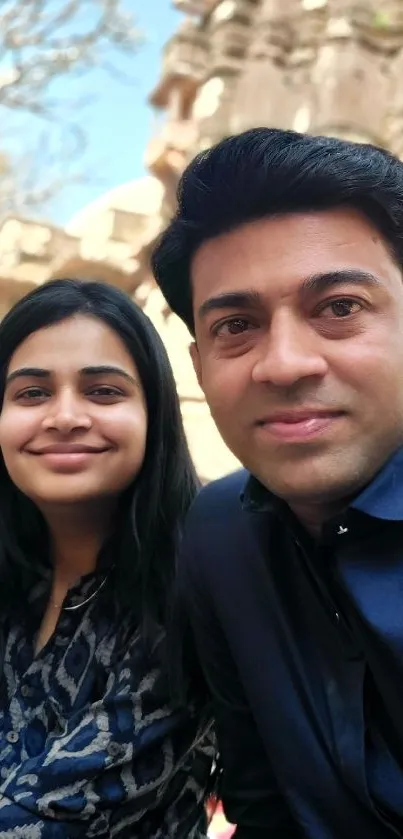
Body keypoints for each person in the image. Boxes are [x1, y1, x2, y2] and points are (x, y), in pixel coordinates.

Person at [152, 127, 403, 838]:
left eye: (339, 307)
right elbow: (261, 800)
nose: (285, 363)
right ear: (200, 368)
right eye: (237, 324)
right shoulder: (217, 533)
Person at [0, 278, 214, 837]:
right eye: (31, 393)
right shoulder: (16, 577)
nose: (64, 416)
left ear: (155, 415)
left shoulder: (195, 589)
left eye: (103, 391)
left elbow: (42, 820)